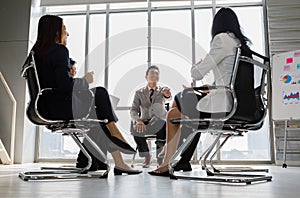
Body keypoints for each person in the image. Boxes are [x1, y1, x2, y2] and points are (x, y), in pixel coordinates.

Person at [32, 15, 142, 175]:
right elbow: (65, 86)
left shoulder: (37, 53)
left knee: (100, 114)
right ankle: (115, 136)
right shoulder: (59, 50)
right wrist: (85, 80)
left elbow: (56, 84)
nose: (67, 34)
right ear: (55, 31)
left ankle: (117, 158)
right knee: (100, 93)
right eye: (64, 29)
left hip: (44, 107)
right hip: (58, 107)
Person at [149, 7, 252, 176]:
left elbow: (196, 73)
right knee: (179, 111)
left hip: (225, 106)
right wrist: (210, 88)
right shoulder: (240, 45)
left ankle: (167, 161)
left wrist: (198, 64)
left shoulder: (221, 39)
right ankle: (183, 160)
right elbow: (230, 79)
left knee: (176, 107)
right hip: (241, 104)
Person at [130, 65, 171, 168]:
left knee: (162, 123)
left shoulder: (162, 90)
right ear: (146, 77)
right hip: (145, 122)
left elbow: (168, 97)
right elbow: (133, 110)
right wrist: (138, 120)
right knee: (135, 129)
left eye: (156, 73)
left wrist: (167, 95)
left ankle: (160, 159)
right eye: (152, 73)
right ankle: (146, 156)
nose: (154, 75)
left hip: (159, 122)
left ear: (158, 77)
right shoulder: (139, 93)